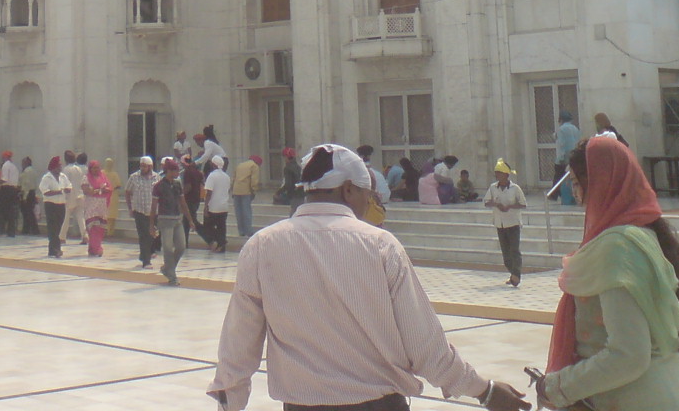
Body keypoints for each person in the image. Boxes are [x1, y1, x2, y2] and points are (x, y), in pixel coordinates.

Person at [209, 143, 531, 411]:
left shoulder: (262, 246)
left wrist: (230, 401)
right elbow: (426, 347)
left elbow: (239, 342)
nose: (371, 203)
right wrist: (484, 391)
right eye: (368, 194)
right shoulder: (379, 244)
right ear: (348, 189)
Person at [539, 136, 679, 411]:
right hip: (676, 395)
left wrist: (557, 387)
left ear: (600, 183)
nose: (576, 192)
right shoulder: (648, 239)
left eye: (576, 181)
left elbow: (628, 354)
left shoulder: (617, 249)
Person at [150, 157, 196, 286]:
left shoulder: (177, 185)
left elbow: (183, 203)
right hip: (165, 220)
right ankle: (172, 276)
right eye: (175, 171)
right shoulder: (158, 186)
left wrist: (190, 220)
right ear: (168, 171)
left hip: (177, 219)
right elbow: (153, 207)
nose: (177, 173)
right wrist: (151, 225)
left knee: (181, 246)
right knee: (168, 248)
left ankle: (168, 268)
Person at [483, 159, 526, 287]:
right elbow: (486, 202)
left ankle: (516, 275)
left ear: (507, 175)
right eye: (496, 174)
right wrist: (496, 204)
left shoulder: (515, 188)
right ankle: (512, 273)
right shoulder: (492, 188)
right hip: (500, 223)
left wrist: (510, 206)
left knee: (514, 250)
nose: (498, 176)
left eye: (500, 173)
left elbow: (523, 204)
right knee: (506, 253)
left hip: (513, 223)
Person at [125, 155, 159, 269]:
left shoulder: (156, 178)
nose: (142, 168)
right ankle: (146, 261)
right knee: (144, 235)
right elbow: (127, 192)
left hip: (153, 211)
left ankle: (144, 255)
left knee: (151, 235)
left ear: (150, 166)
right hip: (139, 210)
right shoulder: (134, 177)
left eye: (145, 166)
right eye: (141, 166)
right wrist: (130, 208)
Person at [39, 157, 71, 257]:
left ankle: (52, 250)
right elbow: (45, 192)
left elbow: (69, 186)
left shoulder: (63, 176)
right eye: (58, 166)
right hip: (50, 205)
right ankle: (56, 249)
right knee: (52, 227)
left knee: (58, 227)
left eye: (60, 166)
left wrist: (67, 190)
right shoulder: (47, 178)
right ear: (53, 167)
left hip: (61, 204)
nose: (60, 168)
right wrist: (58, 192)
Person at [201, 155, 231, 252]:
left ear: (213, 165)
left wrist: (206, 206)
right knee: (221, 227)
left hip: (213, 206)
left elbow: (209, 192)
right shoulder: (226, 176)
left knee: (207, 227)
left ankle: (220, 241)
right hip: (224, 206)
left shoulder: (212, 176)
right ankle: (221, 246)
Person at [82, 159, 112, 256]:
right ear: (90, 169)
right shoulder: (86, 178)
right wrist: (97, 190)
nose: (96, 170)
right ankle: (97, 249)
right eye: (94, 168)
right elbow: (86, 191)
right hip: (91, 206)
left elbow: (109, 188)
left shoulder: (103, 177)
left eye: (97, 168)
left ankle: (92, 249)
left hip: (101, 206)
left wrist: (102, 189)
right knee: (93, 227)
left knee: (100, 228)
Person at [230, 154, 262, 238]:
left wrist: (232, 189)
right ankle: (249, 231)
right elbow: (254, 180)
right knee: (246, 211)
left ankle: (241, 231)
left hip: (236, 190)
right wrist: (254, 190)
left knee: (238, 212)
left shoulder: (240, 165)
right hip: (246, 191)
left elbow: (233, 178)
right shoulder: (254, 166)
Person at [554, 110, 580, 205]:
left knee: (563, 181)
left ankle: (563, 199)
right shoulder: (575, 129)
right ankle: (574, 197)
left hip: (564, 160)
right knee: (572, 179)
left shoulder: (561, 130)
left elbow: (561, 145)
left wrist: (560, 159)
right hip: (575, 159)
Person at [181, 154, 205, 245]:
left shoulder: (187, 172)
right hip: (196, 199)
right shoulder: (198, 172)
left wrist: (181, 195)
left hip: (189, 200)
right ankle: (184, 242)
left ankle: (209, 238)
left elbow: (188, 187)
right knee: (186, 222)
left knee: (192, 221)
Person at [0, 151, 20, 237]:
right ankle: (11, 232)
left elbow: (4, 179)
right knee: (11, 212)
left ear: (4, 157)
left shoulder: (5, 165)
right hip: (14, 190)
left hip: (6, 189)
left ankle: (1, 231)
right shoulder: (14, 166)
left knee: (1, 211)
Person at [18, 156, 39, 235]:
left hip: (27, 193)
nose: (22, 164)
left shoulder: (26, 172)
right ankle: (27, 229)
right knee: (29, 212)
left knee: (27, 212)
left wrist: (24, 197)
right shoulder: (33, 171)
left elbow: (26, 184)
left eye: (23, 162)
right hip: (32, 192)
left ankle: (33, 229)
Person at [278, 146, 303, 214]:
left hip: (294, 194)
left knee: (294, 214)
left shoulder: (288, 168)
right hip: (301, 193)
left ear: (286, 157)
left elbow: (288, 184)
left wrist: (279, 192)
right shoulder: (298, 167)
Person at [102, 156, 122, 237]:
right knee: (107, 214)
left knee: (110, 215)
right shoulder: (111, 174)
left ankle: (109, 231)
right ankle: (108, 230)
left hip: (108, 195)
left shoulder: (103, 173)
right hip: (109, 195)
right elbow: (118, 185)